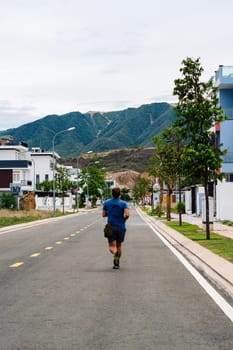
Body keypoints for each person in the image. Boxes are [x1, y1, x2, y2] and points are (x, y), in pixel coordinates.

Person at [102, 187, 130, 269]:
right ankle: (117, 262)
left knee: (111, 246)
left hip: (111, 226)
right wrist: (124, 220)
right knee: (119, 245)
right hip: (121, 227)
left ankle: (115, 254)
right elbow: (127, 214)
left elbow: (103, 215)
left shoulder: (107, 202)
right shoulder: (124, 203)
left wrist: (110, 213)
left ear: (112, 194)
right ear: (120, 194)